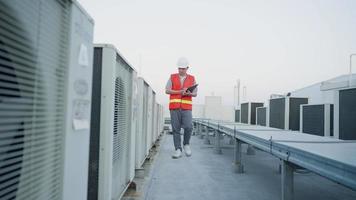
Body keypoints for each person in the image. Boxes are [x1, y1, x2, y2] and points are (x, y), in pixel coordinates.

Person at [165, 57, 197, 159]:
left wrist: (189, 93)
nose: (181, 70)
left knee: (188, 126)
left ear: (187, 68)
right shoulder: (172, 77)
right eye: (179, 68)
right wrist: (179, 91)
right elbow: (167, 90)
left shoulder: (192, 78)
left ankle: (186, 144)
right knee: (176, 129)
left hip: (186, 108)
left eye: (183, 68)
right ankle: (178, 149)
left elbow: (195, 94)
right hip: (174, 107)